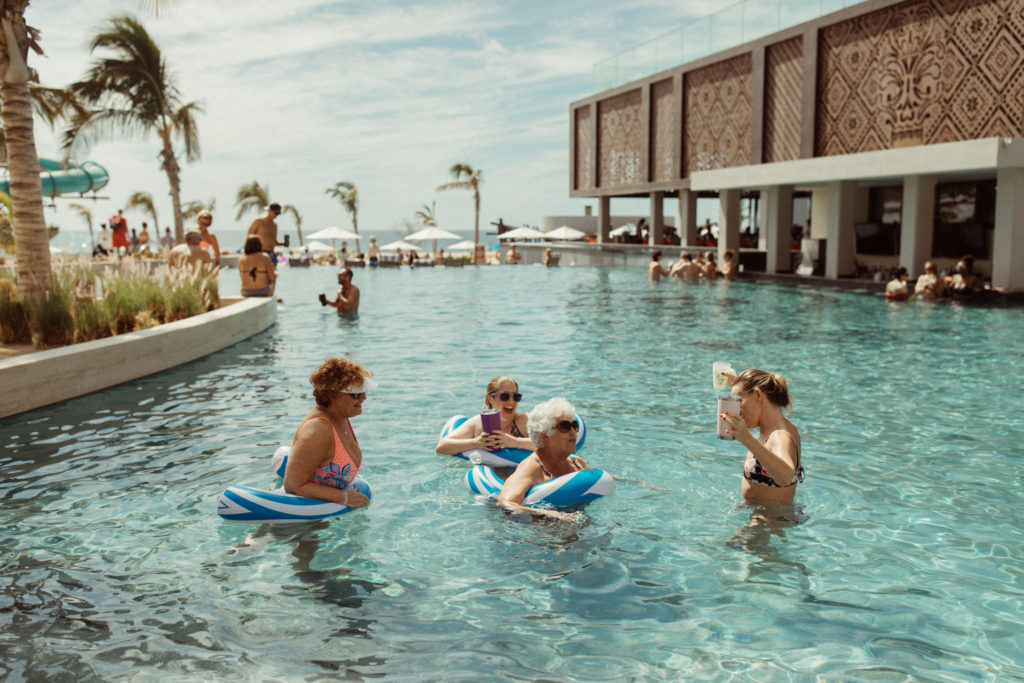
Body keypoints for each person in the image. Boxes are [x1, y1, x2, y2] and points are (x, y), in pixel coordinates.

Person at [282, 358, 375, 507]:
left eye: (363, 391)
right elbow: (293, 486)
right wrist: (343, 498)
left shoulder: (340, 417)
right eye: (356, 394)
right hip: (304, 522)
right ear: (333, 396)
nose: (364, 398)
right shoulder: (317, 430)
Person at [497, 397, 590, 521]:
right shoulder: (531, 468)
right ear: (545, 434)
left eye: (574, 425)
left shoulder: (577, 462)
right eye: (565, 426)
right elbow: (506, 504)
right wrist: (554, 515)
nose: (573, 432)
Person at [719, 369, 803, 505]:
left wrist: (746, 438)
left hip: (768, 523)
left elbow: (786, 475)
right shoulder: (779, 425)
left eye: (739, 402)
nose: (737, 411)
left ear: (758, 395)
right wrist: (737, 383)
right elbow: (755, 395)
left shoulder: (780, 436)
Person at [435, 376, 532, 456]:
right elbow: (442, 447)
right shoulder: (478, 424)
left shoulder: (523, 421)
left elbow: (546, 443)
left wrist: (515, 442)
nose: (511, 401)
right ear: (490, 399)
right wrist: (476, 443)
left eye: (516, 397)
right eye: (504, 396)